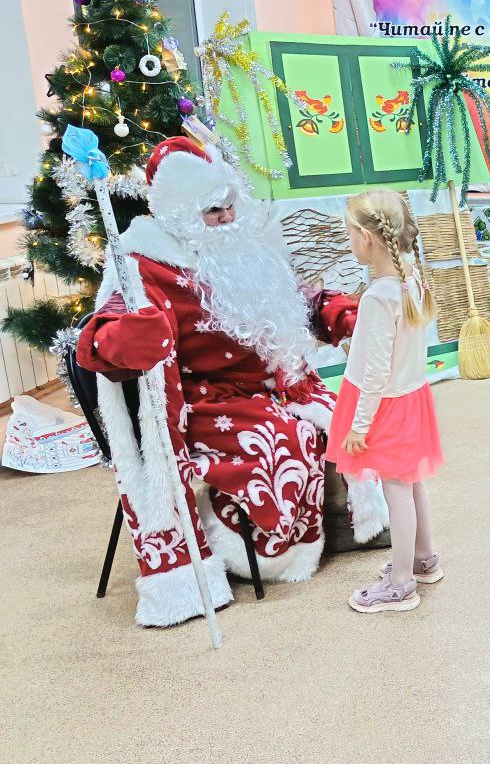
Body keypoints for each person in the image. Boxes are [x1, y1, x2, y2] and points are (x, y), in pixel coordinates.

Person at [76, 136, 385, 627]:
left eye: (228, 205)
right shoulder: (146, 264)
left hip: (278, 382)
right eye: (211, 211)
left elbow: (298, 297)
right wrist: (124, 338)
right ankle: (253, 546)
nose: (224, 218)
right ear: (181, 213)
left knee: (356, 414)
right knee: (281, 442)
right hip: (207, 398)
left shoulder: (246, 244)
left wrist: (341, 313)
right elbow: (100, 336)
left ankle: (345, 519)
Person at [326, 191, 445, 614]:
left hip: (386, 404)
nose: (349, 242)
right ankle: (423, 558)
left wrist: (359, 425)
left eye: (349, 235)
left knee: (396, 488)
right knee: (412, 482)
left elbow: (375, 372)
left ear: (366, 238)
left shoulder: (379, 298)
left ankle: (400, 584)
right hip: (411, 396)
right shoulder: (411, 277)